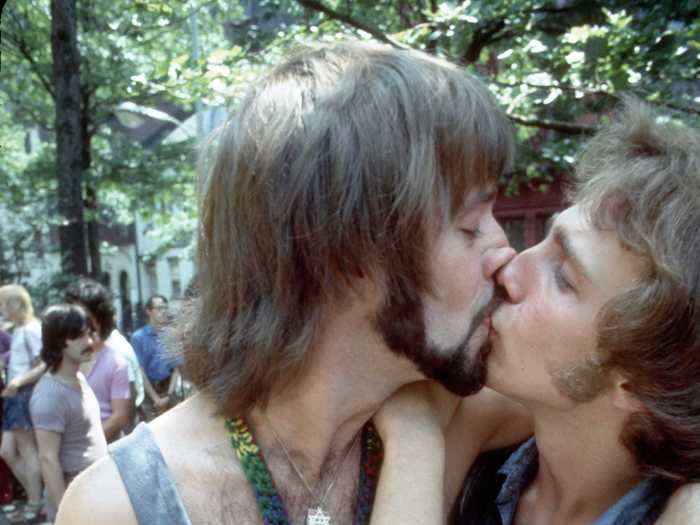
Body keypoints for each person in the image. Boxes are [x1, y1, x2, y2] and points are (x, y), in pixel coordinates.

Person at [57, 41, 517, 524]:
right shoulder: (121, 506)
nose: (503, 252)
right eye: (470, 226)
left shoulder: (456, 411)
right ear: (350, 254)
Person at [370, 99, 700, 524]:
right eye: (544, 239)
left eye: (562, 277)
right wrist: (418, 435)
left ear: (641, 381)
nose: (508, 266)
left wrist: (414, 434)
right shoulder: (472, 447)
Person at [30, 304, 108, 520]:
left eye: (89, 333)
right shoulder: (49, 395)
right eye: (79, 336)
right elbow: (48, 459)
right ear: (59, 340)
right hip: (76, 494)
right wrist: (68, 514)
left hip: (96, 488)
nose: (89, 342)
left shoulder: (78, 377)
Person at [64, 279, 132, 442]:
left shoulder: (116, 362)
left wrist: (85, 446)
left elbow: (120, 417)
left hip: (102, 452)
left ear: (99, 317)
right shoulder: (66, 356)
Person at [0, 285, 44, 521]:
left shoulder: (31, 329)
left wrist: (17, 381)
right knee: (7, 451)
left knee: (28, 450)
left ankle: (35, 503)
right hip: (13, 395)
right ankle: (36, 498)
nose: (1, 310)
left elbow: (43, 363)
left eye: (3, 304)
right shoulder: (18, 329)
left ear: (16, 304)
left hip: (23, 394)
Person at [131, 295, 180, 420]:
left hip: (169, 390)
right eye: (159, 308)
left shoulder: (171, 335)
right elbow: (140, 371)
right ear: (149, 311)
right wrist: (156, 399)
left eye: (165, 308)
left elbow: (176, 368)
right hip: (150, 392)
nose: (163, 312)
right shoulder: (138, 338)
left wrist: (169, 395)